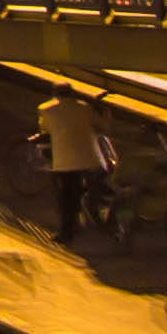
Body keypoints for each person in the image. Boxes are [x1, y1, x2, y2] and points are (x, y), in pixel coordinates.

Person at [36, 83, 117, 241]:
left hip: (66, 163)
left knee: (66, 196)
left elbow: (45, 130)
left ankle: (67, 232)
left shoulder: (45, 109)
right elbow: (103, 127)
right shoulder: (85, 108)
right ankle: (101, 220)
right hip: (92, 160)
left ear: (55, 95)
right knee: (93, 188)